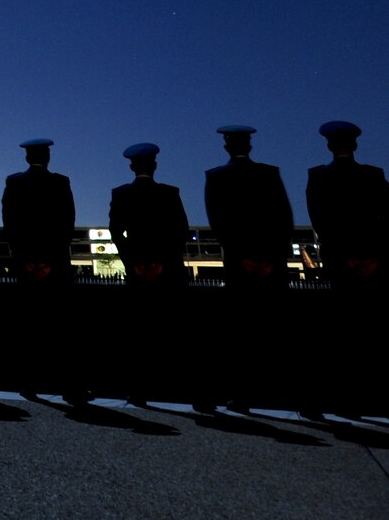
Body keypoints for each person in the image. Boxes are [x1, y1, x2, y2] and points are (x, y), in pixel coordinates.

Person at [203, 125, 295, 411]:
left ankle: (241, 394)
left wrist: (242, 256)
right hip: (271, 263)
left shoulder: (216, 177)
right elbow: (284, 219)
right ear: (250, 146)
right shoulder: (270, 174)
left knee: (240, 331)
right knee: (275, 329)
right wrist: (270, 258)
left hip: (238, 263)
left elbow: (219, 223)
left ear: (226, 146)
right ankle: (282, 391)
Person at [305, 120, 387, 417]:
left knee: (342, 331)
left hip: (341, 264)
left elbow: (322, 222)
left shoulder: (318, 178)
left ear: (329, 145)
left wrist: (344, 258)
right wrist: (374, 257)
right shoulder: (374, 176)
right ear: (355, 145)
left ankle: (344, 399)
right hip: (373, 264)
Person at [107, 143, 190, 403]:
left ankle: (140, 389)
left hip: (137, 271)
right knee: (175, 330)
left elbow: (116, 232)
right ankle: (183, 388)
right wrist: (161, 262)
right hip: (168, 269)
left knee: (139, 332)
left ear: (132, 166)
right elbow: (181, 231)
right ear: (154, 165)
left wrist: (134, 262)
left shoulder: (120, 195)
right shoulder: (170, 193)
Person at [2, 139, 81, 401]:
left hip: (26, 265)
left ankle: (29, 384)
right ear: (48, 157)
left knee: (28, 326)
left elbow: (11, 225)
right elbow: (67, 224)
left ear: (27, 158)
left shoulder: (14, 183)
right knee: (61, 327)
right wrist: (49, 259)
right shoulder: (60, 183)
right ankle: (68, 385)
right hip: (55, 264)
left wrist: (26, 259)